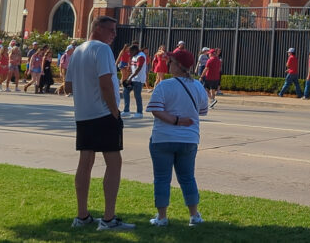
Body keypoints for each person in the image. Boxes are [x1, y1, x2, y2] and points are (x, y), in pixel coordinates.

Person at [64, 15, 134, 231]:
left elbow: (67, 87)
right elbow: (105, 83)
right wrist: (115, 111)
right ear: (98, 28)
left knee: (85, 162)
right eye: (111, 30)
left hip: (84, 115)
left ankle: (82, 216)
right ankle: (108, 218)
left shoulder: (78, 51)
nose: (114, 34)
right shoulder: (102, 50)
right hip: (103, 114)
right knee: (114, 163)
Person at [146, 47, 209, 227]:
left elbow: (156, 110)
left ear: (178, 66)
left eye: (171, 62)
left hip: (163, 138)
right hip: (189, 139)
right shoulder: (198, 86)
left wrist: (175, 120)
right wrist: (183, 119)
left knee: (162, 178)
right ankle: (194, 215)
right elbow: (203, 111)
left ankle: (162, 217)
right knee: (188, 177)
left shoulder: (164, 86)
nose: (168, 64)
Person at [122, 44, 147, 118]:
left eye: (130, 52)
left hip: (139, 79)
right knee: (125, 91)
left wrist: (130, 78)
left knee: (137, 95)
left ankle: (139, 113)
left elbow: (139, 68)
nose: (130, 53)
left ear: (135, 50)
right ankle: (126, 111)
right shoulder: (134, 56)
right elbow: (134, 67)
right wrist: (129, 70)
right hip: (133, 78)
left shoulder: (141, 56)